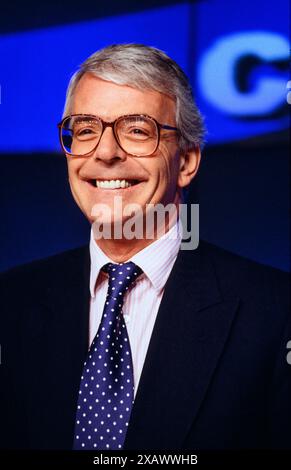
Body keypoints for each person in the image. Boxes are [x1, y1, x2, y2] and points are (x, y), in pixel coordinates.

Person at [0, 44, 290, 451]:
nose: (105, 152)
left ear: (187, 161)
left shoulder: (275, 314)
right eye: (85, 129)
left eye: (137, 129)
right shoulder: (9, 303)